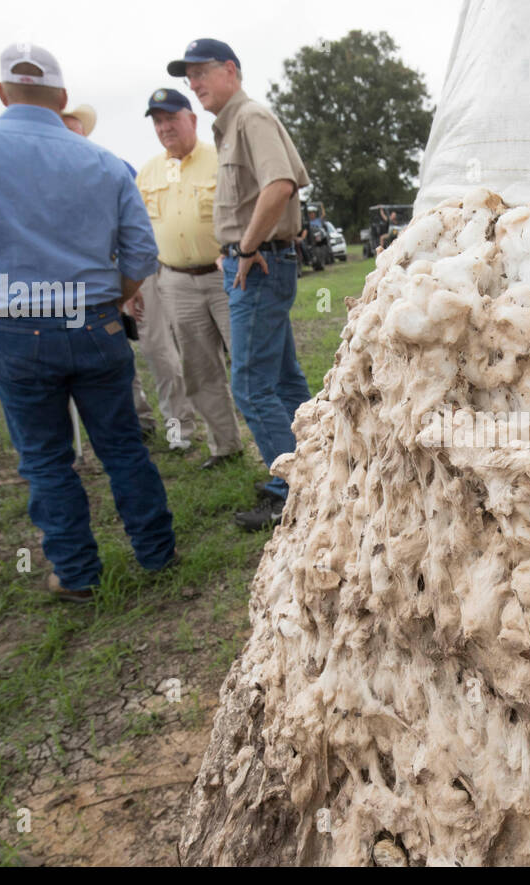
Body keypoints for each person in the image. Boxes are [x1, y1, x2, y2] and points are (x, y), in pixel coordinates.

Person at [0, 43, 175, 602]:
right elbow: (140, 255)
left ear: (1, 92)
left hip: (15, 326)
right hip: (96, 324)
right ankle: (157, 553)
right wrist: (111, 301)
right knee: (124, 446)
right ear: (62, 98)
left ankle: (78, 574)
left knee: (44, 458)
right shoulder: (106, 162)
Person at [169, 38, 312, 530]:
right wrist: (234, 248)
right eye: (189, 77)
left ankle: (291, 491)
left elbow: (280, 186)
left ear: (231, 70)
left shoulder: (249, 118)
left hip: (260, 265)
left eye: (202, 72)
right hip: (252, 262)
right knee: (284, 378)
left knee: (250, 384)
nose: (194, 84)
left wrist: (246, 248)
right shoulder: (232, 125)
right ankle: (314, 470)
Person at [59, 100, 188, 444]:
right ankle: (138, 421)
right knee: (112, 357)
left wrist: (134, 284)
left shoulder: (113, 168)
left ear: (83, 132)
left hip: (134, 274)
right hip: (84, 284)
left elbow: (141, 228)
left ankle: (179, 429)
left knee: (159, 352)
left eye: (74, 127)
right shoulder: (46, 181)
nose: (68, 135)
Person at [133, 88, 243, 469]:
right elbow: (138, 233)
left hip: (224, 275)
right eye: (158, 122)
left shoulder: (220, 158)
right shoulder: (147, 173)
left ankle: (289, 443)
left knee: (248, 361)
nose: (165, 128)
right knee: (198, 368)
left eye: (171, 119)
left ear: (191, 119)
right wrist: (133, 284)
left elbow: (246, 210)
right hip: (175, 282)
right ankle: (225, 446)